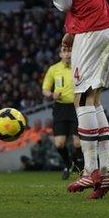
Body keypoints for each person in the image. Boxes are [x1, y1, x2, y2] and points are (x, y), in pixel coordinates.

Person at [25, 0, 109, 199]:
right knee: (94, 99)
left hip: (93, 31)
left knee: (81, 99)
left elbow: (64, 3)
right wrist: (71, 30)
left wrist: (72, 25)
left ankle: (90, 170)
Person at [42, 46, 83, 180]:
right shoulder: (54, 69)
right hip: (60, 108)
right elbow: (45, 89)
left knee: (78, 143)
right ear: (60, 54)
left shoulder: (79, 66)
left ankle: (79, 164)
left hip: (76, 106)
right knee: (59, 143)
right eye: (64, 51)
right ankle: (68, 164)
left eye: (70, 51)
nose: (67, 54)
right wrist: (52, 94)